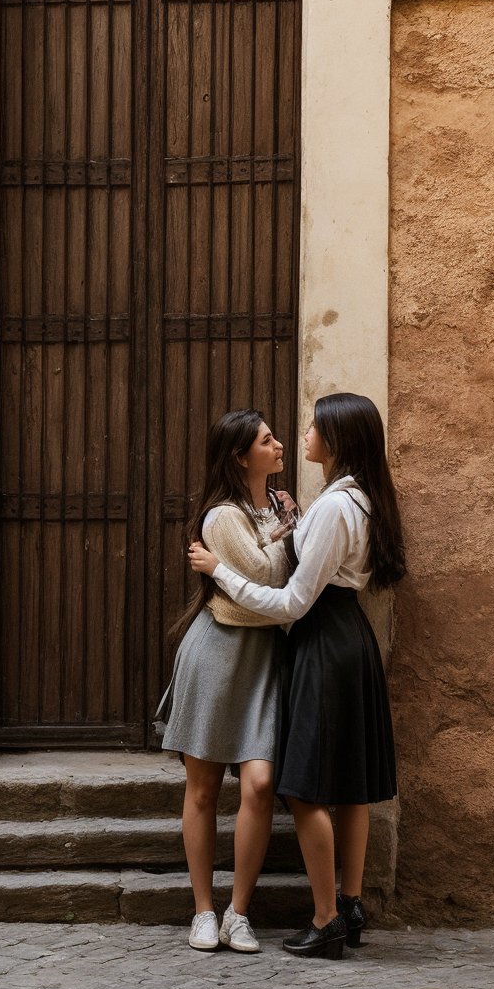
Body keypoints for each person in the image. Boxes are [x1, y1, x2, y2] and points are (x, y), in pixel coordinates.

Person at [188, 392, 405, 961]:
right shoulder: (349, 498)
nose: (298, 435)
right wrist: (289, 528)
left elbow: (289, 600)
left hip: (322, 638)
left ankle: (327, 916)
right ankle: (348, 905)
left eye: (311, 427)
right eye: (273, 436)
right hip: (342, 635)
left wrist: (219, 573)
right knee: (351, 787)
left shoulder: (334, 506)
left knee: (305, 787)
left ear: (334, 441)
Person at [156, 409, 297, 954]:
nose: (279, 445)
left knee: (259, 783)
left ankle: (240, 911)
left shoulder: (283, 507)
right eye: (267, 441)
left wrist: (271, 546)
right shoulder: (220, 517)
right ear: (242, 457)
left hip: (266, 656)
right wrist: (285, 540)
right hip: (216, 652)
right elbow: (265, 581)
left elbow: (284, 583)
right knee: (204, 787)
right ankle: (203, 911)